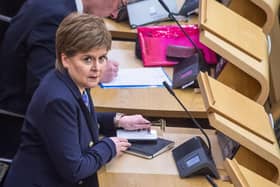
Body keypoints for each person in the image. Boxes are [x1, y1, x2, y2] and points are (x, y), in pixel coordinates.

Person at [3, 13, 151, 187]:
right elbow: (75, 170)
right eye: (87, 59)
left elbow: (78, 119)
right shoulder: (57, 100)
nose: (97, 68)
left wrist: (117, 120)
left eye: (102, 58)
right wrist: (109, 146)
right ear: (65, 59)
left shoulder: (72, 80)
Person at [0, 0, 127, 115]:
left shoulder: (62, 7)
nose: (115, 15)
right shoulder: (56, 18)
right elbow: (44, 90)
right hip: (21, 120)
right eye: (120, 5)